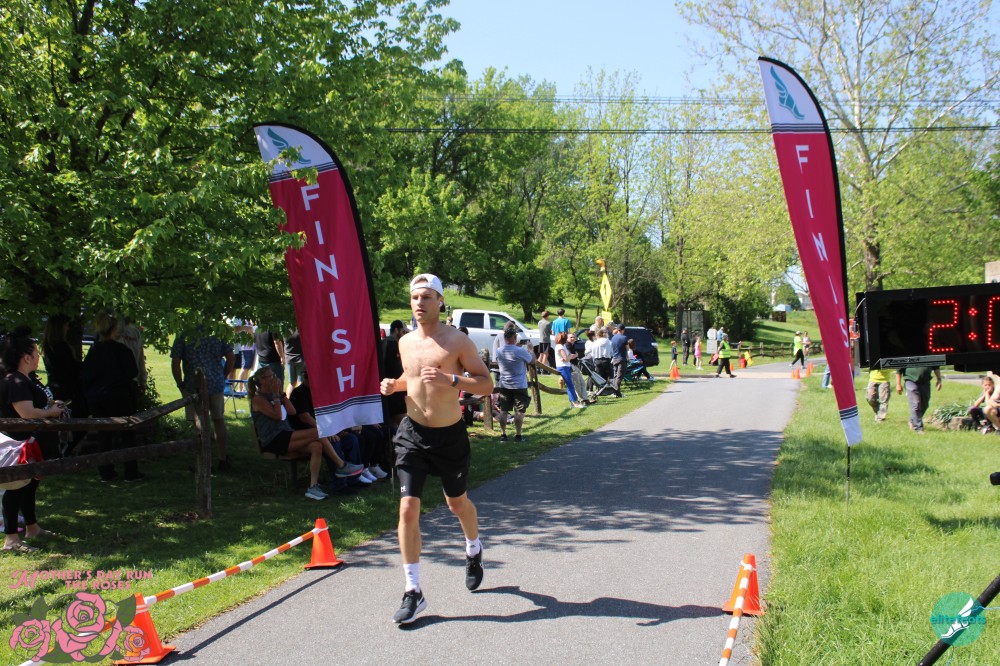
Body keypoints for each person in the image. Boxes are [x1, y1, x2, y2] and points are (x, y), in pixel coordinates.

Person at [380, 273, 494, 624]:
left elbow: (487, 384)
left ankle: (473, 549)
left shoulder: (457, 341)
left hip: (449, 437)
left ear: (440, 301)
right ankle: (413, 590)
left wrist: (452, 379)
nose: (420, 303)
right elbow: (413, 379)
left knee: (456, 504)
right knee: (407, 509)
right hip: (412, 434)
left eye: (427, 297)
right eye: (415, 297)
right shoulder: (405, 342)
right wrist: (394, 385)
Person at [249, 367, 364, 500]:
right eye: (271, 376)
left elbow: (292, 411)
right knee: (318, 432)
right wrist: (275, 396)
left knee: (316, 446)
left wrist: (281, 394)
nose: (275, 378)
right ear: (262, 381)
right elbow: (277, 415)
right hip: (274, 440)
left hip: (286, 436)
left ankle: (313, 487)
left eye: (274, 375)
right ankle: (341, 465)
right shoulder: (258, 399)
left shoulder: (276, 395)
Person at [1, 328, 63, 553]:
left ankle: (32, 527)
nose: (38, 356)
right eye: (36, 353)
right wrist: (51, 412)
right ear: (26, 357)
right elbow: (26, 413)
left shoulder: (26, 379)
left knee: (29, 485)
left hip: (31, 444)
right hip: (18, 446)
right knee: (15, 487)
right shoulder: (15, 381)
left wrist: (51, 406)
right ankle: (11, 540)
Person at [82, 312, 145, 482]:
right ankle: (130, 471)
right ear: (114, 329)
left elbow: (86, 376)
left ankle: (106, 472)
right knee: (127, 434)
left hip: (98, 398)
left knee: (104, 435)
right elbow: (132, 372)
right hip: (119, 396)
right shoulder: (121, 350)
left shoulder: (94, 351)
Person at [171, 331, 235, 472]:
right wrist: (222, 376)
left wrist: (180, 383)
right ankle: (222, 458)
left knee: (199, 422)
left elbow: (175, 361)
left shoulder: (185, 333)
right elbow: (231, 357)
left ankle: (204, 461)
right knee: (218, 420)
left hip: (193, 384)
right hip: (216, 383)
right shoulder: (217, 331)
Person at [495, 323, 535, 441]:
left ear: (505, 338)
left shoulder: (499, 350)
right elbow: (532, 360)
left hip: (504, 384)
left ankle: (503, 434)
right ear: (514, 337)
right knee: (519, 411)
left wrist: (516, 346)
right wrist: (531, 350)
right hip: (519, 385)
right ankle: (518, 435)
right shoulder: (520, 351)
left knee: (504, 410)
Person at [895, 366, 942, 433]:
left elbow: (936, 367)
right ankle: (918, 428)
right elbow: (899, 370)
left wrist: (939, 380)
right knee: (916, 404)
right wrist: (898, 384)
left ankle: (913, 420)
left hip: (925, 381)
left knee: (925, 405)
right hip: (910, 380)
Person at [381, 320, 408, 427]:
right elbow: (396, 370)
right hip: (394, 389)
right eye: (403, 332)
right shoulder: (392, 343)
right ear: (396, 330)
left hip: (388, 388)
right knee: (403, 423)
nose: (405, 335)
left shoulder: (384, 342)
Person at [283, 329, 304, 396]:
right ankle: (300, 399)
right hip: (300, 359)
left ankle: (288, 399)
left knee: (292, 383)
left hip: (289, 359)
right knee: (300, 382)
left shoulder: (284, 331)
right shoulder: (299, 331)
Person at [610, 323, 629, 394]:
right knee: (619, 376)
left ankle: (613, 391)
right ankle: (617, 392)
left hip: (614, 358)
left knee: (615, 376)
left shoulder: (613, 337)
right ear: (623, 330)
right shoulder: (624, 338)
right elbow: (627, 348)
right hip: (621, 358)